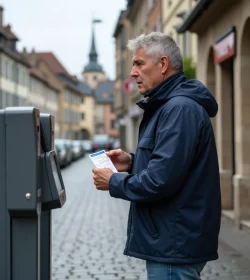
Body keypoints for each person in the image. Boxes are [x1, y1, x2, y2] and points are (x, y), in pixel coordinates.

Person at [92, 32, 221, 280]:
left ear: (162, 64)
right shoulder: (170, 106)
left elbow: (160, 180)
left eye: (139, 63)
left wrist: (114, 181)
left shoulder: (179, 109)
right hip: (172, 239)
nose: (132, 72)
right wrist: (132, 163)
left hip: (174, 244)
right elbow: (171, 164)